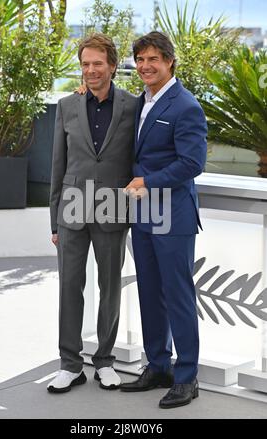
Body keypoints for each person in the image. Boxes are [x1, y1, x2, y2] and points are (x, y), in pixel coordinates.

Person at [119, 31, 207, 409]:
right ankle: (159, 365)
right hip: (143, 215)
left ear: (170, 61)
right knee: (149, 292)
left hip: (174, 213)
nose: (145, 66)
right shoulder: (140, 102)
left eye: (153, 59)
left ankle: (187, 377)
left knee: (178, 295)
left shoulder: (186, 106)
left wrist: (148, 181)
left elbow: (192, 163)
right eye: (140, 59)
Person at [48, 33, 137, 393]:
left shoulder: (133, 107)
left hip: (113, 207)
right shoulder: (67, 105)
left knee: (110, 287)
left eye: (98, 63)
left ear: (112, 66)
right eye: (85, 64)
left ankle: (104, 361)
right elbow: (58, 163)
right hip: (71, 207)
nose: (91, 70)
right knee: (70, 285)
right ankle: (70, 364)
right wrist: (53, 219)